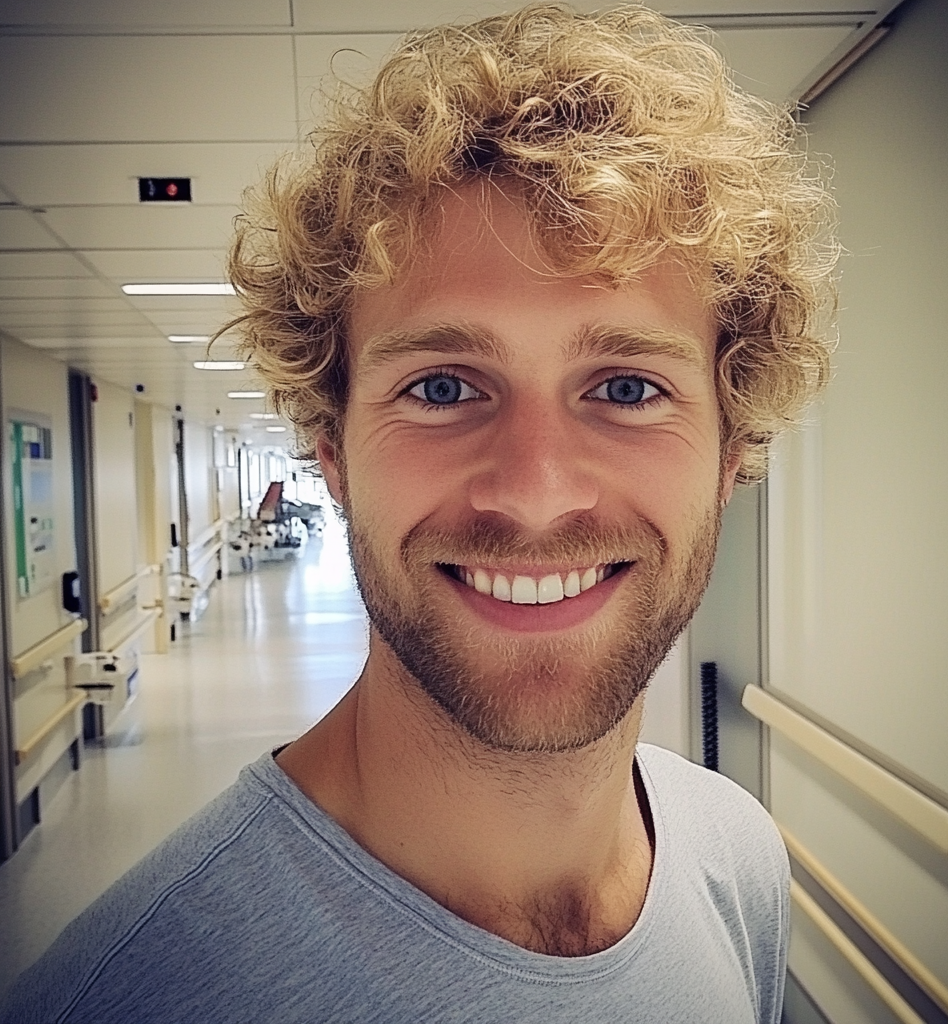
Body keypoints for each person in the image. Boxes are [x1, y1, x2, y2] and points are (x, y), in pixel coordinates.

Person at [2, 5, 836, 1022]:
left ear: (730, 449)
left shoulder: (736, 860)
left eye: (624, 387)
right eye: (443, 387)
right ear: (331, 451)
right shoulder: (127, 995)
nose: (534, 493)